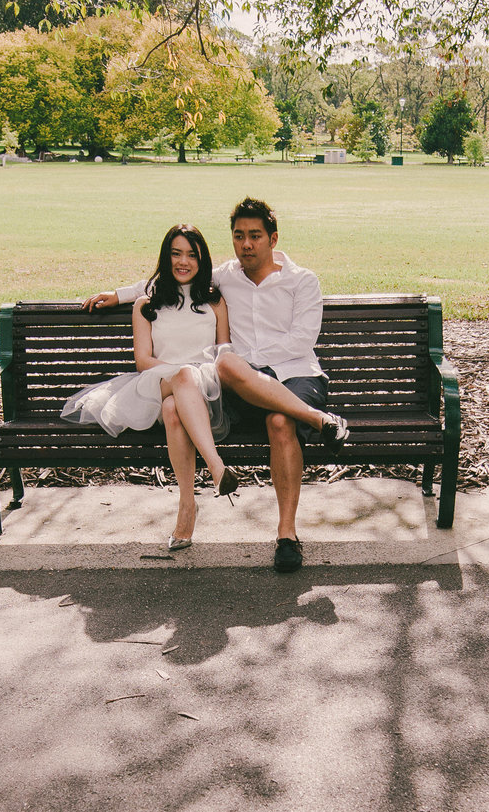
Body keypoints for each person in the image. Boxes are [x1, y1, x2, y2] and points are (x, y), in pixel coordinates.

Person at [85, 197, 347, 574]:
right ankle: (323, 422)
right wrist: (120, 294)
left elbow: (302, 340)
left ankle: (287, 534)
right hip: (238, 379)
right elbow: (171, 275)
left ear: (273, 238)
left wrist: (250, 359)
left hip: (294, 373)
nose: (246, 244)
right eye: (239, 236)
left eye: (255, 236)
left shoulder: (302, 280)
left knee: (278, 421)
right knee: (225, 364)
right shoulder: (224, 276)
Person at [61, 225, 239, 551]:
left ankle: (187, 507)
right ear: (165, 256)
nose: (183, 261)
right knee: (178, 384)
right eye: (175, 253)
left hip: (205, 394)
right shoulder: (147, 303)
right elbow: (143, 360)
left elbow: (223, 353)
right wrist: (180, 374)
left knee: (176, 409)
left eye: (191, 255)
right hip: (155, 387)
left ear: (203, 260)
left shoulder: (214, 301)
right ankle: (216, 468)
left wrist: (195, 376)